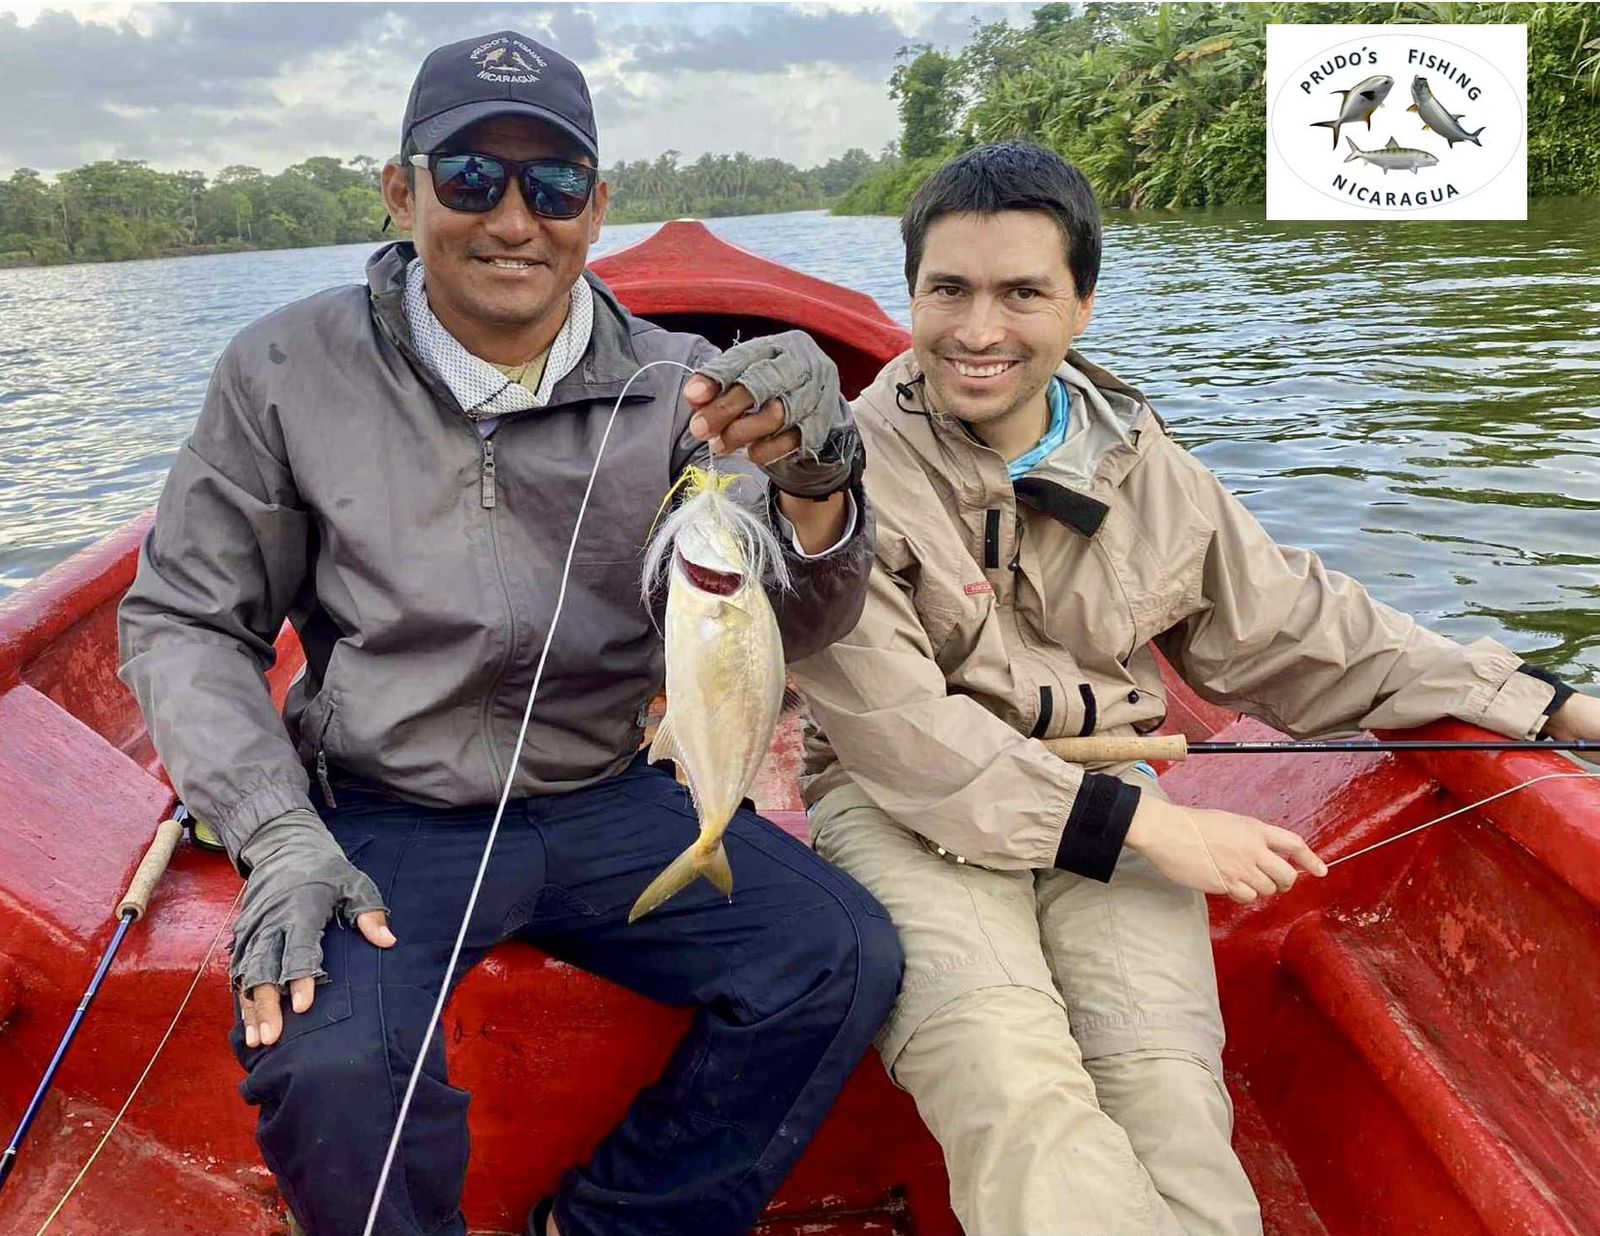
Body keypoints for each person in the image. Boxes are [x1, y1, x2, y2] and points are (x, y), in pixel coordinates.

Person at [117, 31, 902, 1236]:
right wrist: (275, 832)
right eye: (473, 178)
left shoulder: (685, 388)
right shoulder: (283, 369)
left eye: (554, 184)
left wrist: (819, 481)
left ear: (598, 205)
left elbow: (794, 618)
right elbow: (184, 620)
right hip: (385, 808)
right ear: (403, 191)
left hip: (609, 790)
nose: (514, 221)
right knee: (331, 1067)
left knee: (841, 955)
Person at [789, 141, 1600, 1236]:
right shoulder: (832, 476)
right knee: (1007, 1077)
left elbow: (1300, 627)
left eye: (1022, 293)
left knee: (1169, 1090)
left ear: (1081, 305)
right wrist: (1150, 831)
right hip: (906, 811)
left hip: (1110, 785)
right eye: (950, 291)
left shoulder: (1139, 462)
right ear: (912, 296)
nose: (978, 330)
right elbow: (899, 736)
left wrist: (1545, 702)